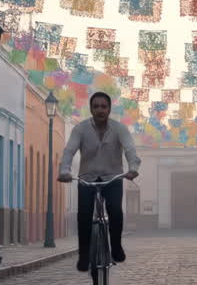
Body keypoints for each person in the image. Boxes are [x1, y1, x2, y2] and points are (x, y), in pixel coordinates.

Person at [57, 92, 141, 272]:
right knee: (84, 216)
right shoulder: (80, 129)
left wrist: (133, 168)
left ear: (109, 109)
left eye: (104, 106)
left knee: (116, 211)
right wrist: (64, 171)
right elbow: (69, 151)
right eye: (96, 106)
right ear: (91, 109)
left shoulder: (119, 129)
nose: (100, 110)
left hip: (113, 178)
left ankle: (116, 246)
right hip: (87, 179)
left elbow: (130, 150)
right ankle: (84, 255)